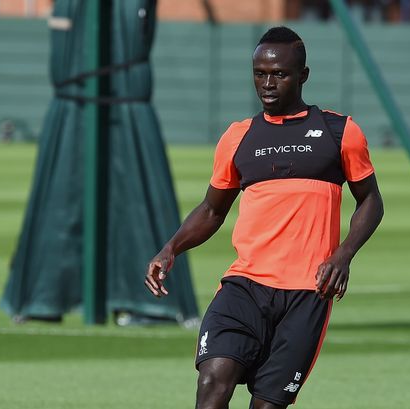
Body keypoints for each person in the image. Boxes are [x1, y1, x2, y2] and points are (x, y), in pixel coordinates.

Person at [145, 26, 384, 409]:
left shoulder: (340, 132)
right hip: (245, 287)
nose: (267, 83)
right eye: (260, 73)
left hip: (308, 292)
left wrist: (344, 254)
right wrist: (171, 248)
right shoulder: (238, 136)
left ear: (303, 75)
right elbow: (211, 210)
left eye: (279, 74)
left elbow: (371, 201)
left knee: (266, 406)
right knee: (212, 381)